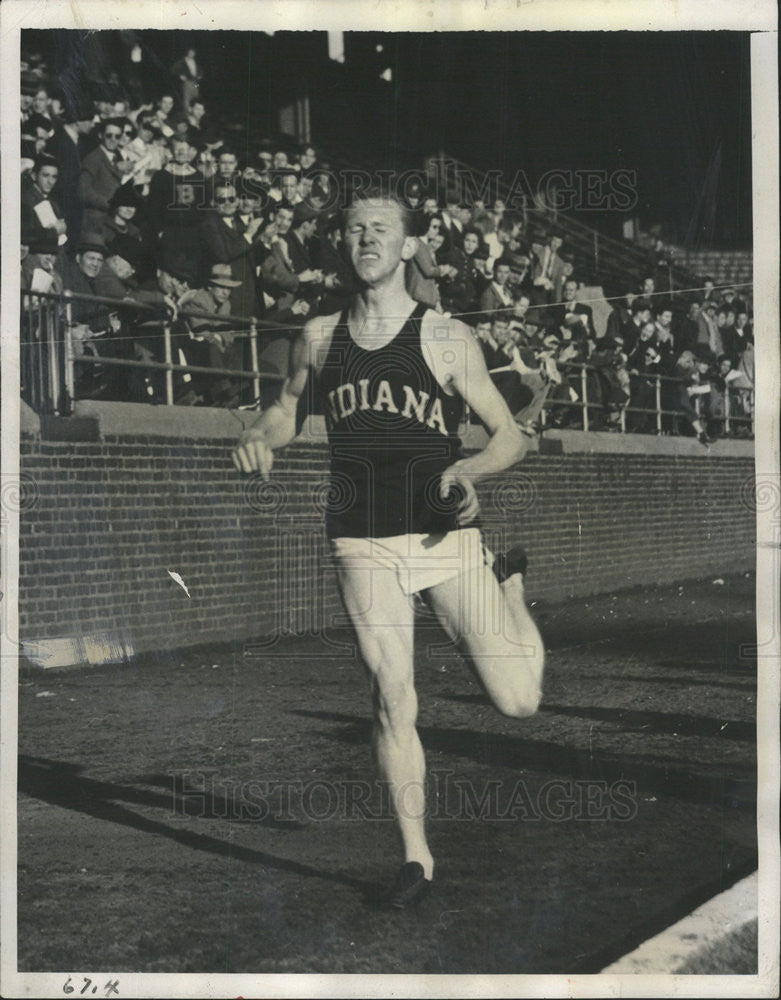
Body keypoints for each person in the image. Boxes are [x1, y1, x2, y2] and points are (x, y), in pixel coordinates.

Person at [231, 189, 544, 907]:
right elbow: (285, 409)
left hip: (443, 537)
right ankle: (415, 859)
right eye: (352, 229)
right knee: (390, 696)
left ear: (409, 248)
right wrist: (258, 436)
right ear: (342, 246)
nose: (364, 238)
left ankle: (509, 588)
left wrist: (466, 470)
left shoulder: (445, 337)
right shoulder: (318, 335)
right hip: (361, 540)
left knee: (518, 700)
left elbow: (510, 434)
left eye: (381, 229)